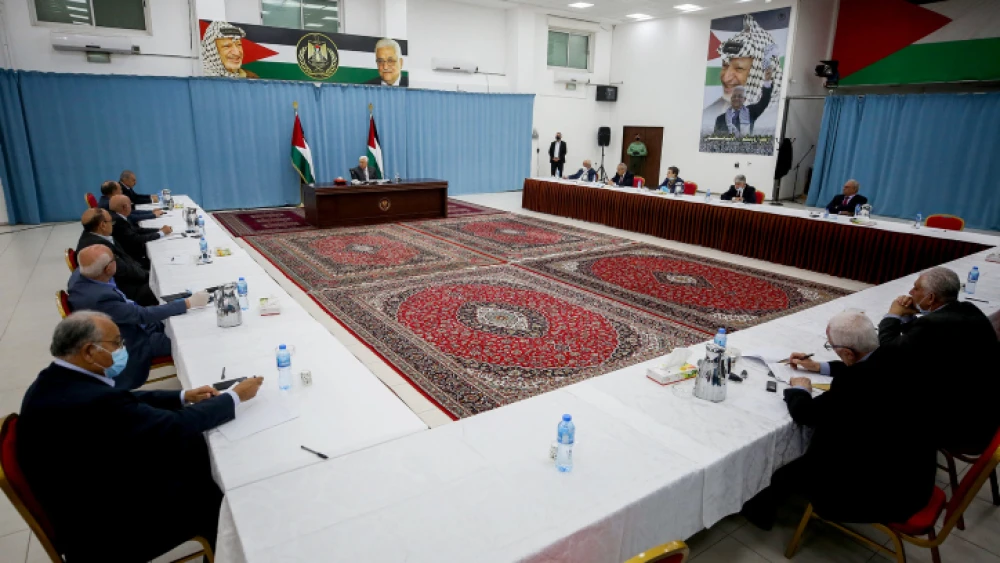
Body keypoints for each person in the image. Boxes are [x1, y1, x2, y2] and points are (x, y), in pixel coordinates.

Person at [17, 311, 263, 561]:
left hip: (86, 483)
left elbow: (126, 399)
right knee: (214, 490)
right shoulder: (90, 402)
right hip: (103, 528)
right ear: (90, 352)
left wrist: (182, 396)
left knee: (196, 451)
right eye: (116, 343)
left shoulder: (57, 379)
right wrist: (235, 397)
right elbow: (175, 425)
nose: (123, 348)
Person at [741, 311, 937, 530]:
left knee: (788, 470)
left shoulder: (855, 383)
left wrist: (799, 390)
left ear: (847, 353)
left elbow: (806, 414)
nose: (833, 351)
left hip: (887, 493)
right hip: (916, 474)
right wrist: (819, 367)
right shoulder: (897, 353)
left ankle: (757, 513)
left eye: (832, 347)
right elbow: (863, 363)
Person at [878, 267, 1000, 453]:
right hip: (985, 415)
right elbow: (923, 341)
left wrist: (893, 315)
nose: (911, 292)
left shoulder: (934, 324)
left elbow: (890, 353)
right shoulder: (968, 310)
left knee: (880, 400)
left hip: (961, 430)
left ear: (931, 298)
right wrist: (911, 316)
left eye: (916, 288)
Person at [68, 245, 210, 389]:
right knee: (191, 336)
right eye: (114, 259)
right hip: (134, 341)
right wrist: (187, 303)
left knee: (182, 318)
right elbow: (141, 316)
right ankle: (204, 383)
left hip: (128, 323)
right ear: (108, 269)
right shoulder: (100, 299)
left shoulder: (82, 275)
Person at [701, 14, 782, 136]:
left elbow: (765, 100)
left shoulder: (755, 112)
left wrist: (767, 81)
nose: (726, 78)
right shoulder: (718, 117)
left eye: (739, 68)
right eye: (725, 65)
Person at [76, 208, 158, 307]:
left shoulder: (97, 235)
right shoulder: (98, 249)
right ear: (102, 225)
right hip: (127, 289)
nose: (113, 224)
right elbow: (124, 270)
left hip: (129, 278)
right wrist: (150, 276)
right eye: (112, 221)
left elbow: (125, 258)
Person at [109, 194, 172, 268]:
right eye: (130, 204)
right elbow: (137, 239)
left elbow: (137, 230)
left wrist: (159, 230)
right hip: (134, 259)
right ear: (124, 207)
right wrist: (161, 233)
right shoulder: (119, 222)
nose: (131, 207)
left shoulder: (118, 216)